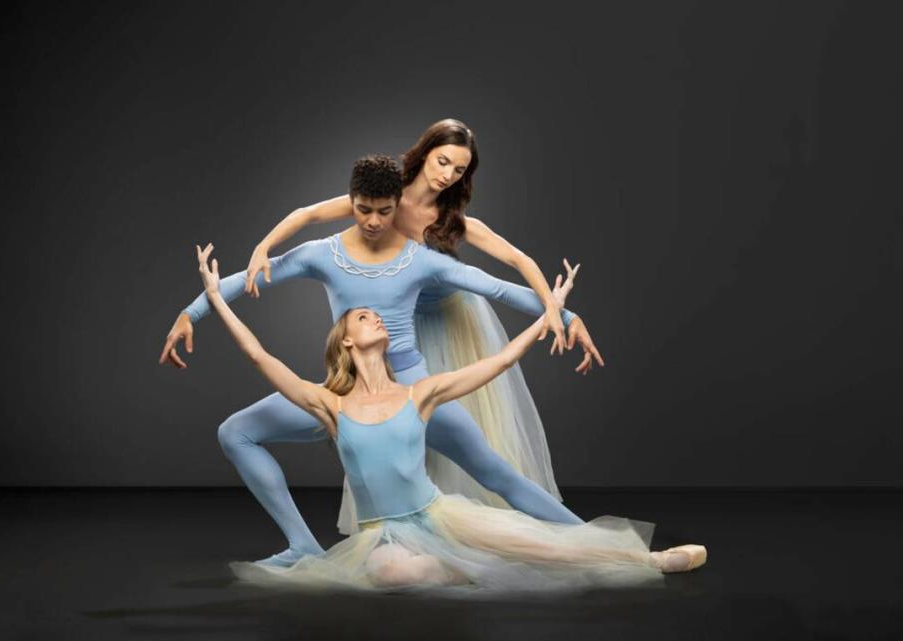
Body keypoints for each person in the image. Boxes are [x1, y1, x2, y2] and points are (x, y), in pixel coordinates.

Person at [193, 243, 706, 593]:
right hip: (383, 534)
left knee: (540, 545)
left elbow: (498, 363)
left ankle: (649, 561)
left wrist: (554, 313)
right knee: (395, 576)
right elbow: (260, 357)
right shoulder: (330, 404)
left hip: (439, 515)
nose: (372, 313)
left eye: (376, 314)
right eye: (360, 315)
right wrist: (214, 299)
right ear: (346, 339)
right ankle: (477, 563)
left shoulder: (421, 393)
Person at [160, 155, 586, 567]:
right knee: (236, 432)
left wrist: (566, 315)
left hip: (412, 393)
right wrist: (190, 313)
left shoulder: (420, 259)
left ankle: (595, 546)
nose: (374, 221)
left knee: (498, 474)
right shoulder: (321, 254)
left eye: (384, 211)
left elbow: (498, 288)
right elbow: (247, 277)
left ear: (397, 205)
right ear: (351, 202)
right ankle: (303, 544)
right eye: (363, 210)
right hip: (346, 396)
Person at [239, 119, 604, 531]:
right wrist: (263, 247)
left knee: (467, 446)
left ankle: (483, 528)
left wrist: (564, 315)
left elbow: (508, 274)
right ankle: (407, 531)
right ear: (424, 153)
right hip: (394, 324)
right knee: (395, 432)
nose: (447, 175)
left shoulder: (452, 219)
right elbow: (306, 215)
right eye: (442, 161)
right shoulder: (383, 198)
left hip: (449, 315)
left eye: (459, 170)